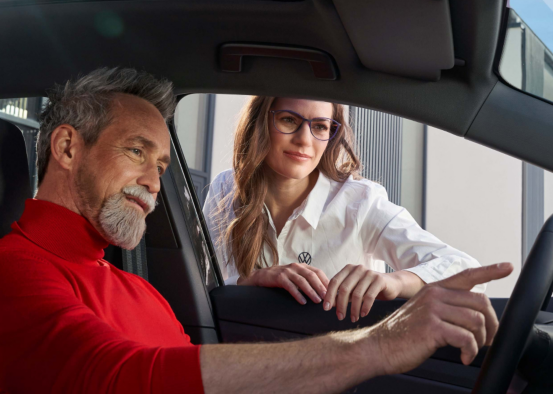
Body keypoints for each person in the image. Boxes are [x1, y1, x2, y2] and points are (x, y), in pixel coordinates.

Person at [0, 67, 553, 394]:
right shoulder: (4, 276)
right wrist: (375, 345)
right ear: (65, 147)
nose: (153, 181)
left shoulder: (132, 287)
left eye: (161, 165)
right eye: (137, 151)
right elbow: (121, 392)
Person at [203, 97, 482, 323]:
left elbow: (469, 273)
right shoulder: (225, 188)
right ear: (260, 122)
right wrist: (248, 281)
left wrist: (394, 281)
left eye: (321, 126)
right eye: (289, 120)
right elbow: (195, 289)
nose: (304, 139)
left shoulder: (360, 201)